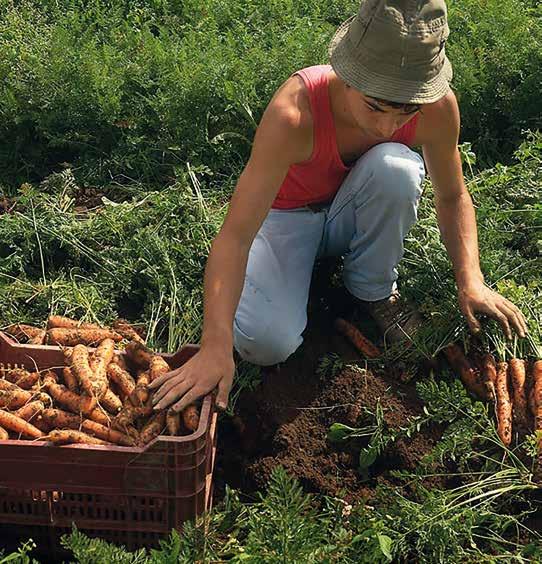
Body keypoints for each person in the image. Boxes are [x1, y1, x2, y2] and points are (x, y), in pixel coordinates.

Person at [150, 0, 527, 413]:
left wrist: (470, 278)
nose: (388, 126)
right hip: (287, 218)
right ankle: (291, 280)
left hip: (351, 209)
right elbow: (236, 236)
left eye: (407, 109)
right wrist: (215, 345)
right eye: (375, 106)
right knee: (265, 343)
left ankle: (372, 289)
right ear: (347, 77)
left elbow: (453, 196)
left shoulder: (437, 109)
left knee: (397, 168)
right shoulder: (294, 114)